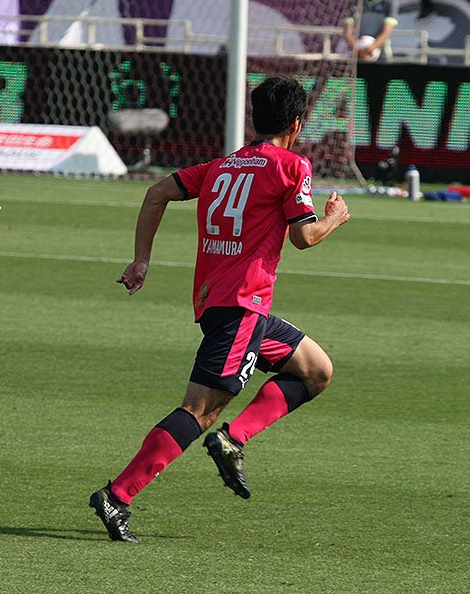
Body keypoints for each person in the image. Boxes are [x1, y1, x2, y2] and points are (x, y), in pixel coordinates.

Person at [89, 76, 351, 542]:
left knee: (316, 371)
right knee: (199, 410)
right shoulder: (292, 165)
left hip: (223, 303)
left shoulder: (222, 165)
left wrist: (141, 259)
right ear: (296, 123)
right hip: (241, 307)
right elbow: (304, 237)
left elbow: (155, 193)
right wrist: (334, 218)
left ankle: (233, 439)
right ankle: (117, 495)